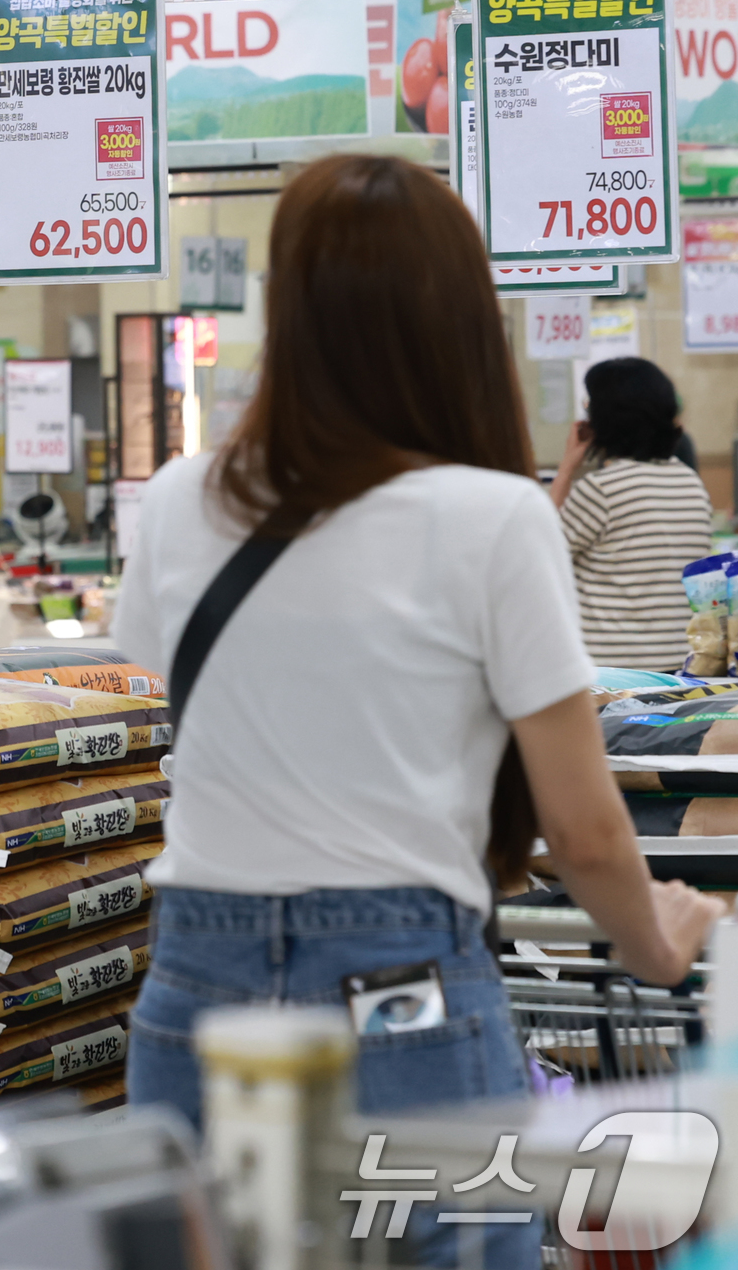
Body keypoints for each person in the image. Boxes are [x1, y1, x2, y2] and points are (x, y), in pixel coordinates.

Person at [117, 155, 719, 1265]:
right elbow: (583, 831)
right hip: (399, 993)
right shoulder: (491, 517)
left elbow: (197, 708)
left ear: (287, 312)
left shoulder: (176, 500)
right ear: (455, 322)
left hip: (193, 978)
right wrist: (655, 942)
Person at [549, 358, 712, 670]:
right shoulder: (690, 483)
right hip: (681, 669)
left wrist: (567, 467)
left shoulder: (601, 489)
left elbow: (539, 554)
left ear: (601, 420)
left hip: (612, 677)